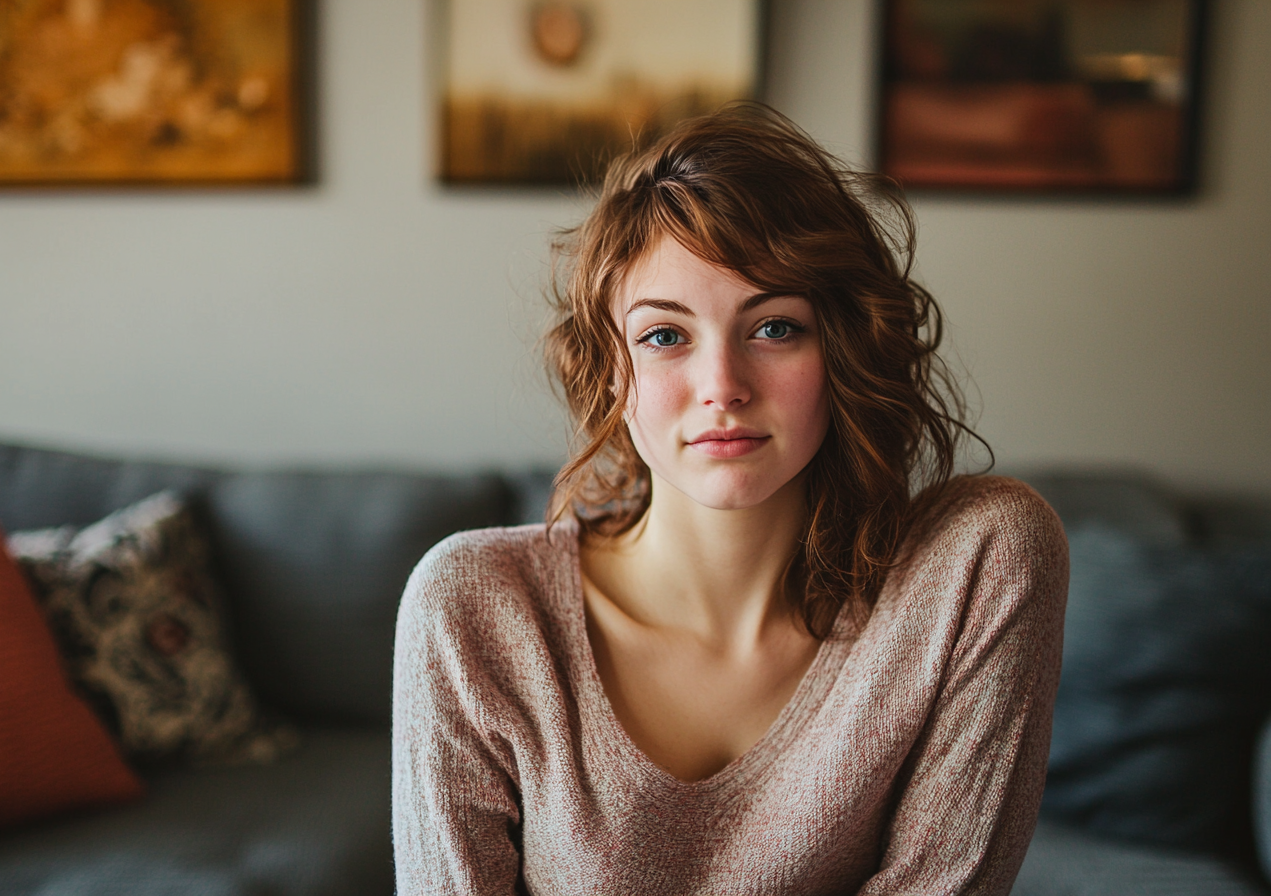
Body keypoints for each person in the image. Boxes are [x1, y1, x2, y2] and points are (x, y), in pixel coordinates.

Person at [392, 103, 1069, 895]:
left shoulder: (976, 566)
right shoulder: (472, 608)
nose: (723, 387)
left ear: (842, 350)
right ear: (612, 373)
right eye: (664, 336)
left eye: (775, 327)